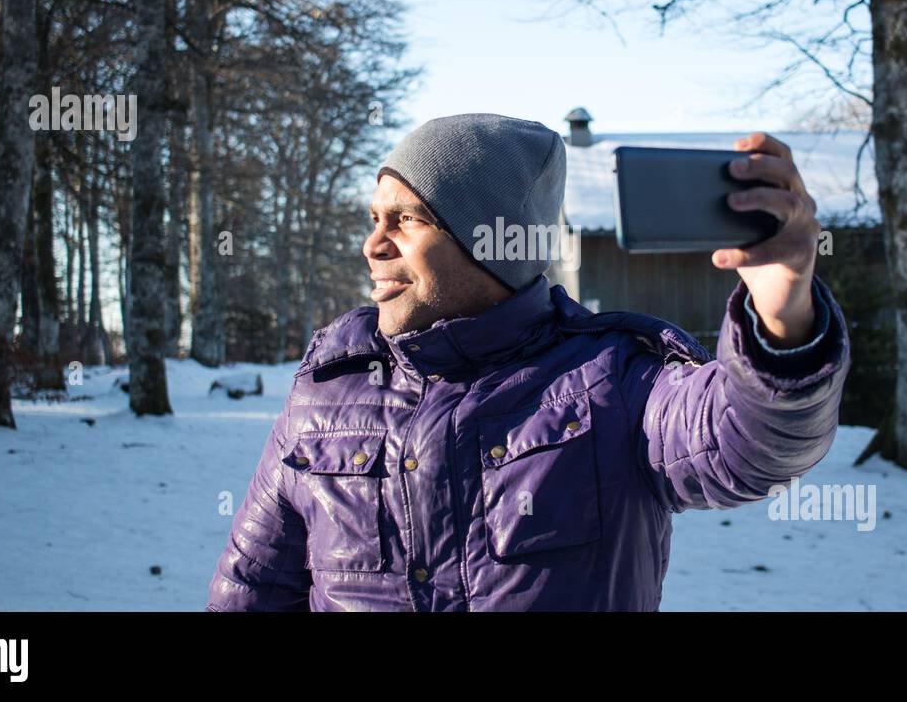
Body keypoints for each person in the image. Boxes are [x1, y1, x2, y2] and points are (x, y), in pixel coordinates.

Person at [205, 112, 849, 611]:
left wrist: (781, 307)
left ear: (491, 243)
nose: (373, 244)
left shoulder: (613, 382)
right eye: (374, 218)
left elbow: (752, 442)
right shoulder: (326, 391)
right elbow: (249, 592)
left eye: (406, 221)